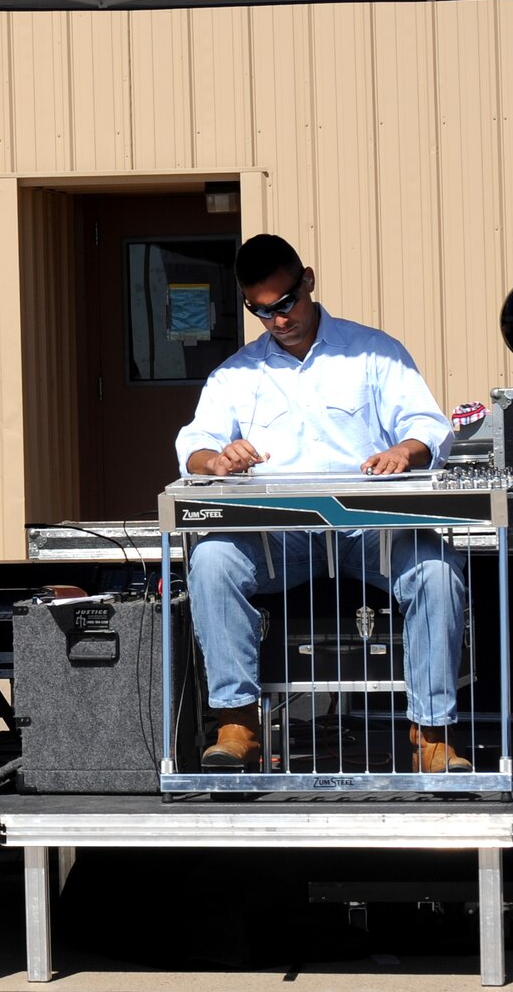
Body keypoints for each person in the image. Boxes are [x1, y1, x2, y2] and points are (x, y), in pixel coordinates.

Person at [175, 233, 464, 773]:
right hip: (278, 539)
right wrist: (215, 460)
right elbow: (192, 443)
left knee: (436, 570)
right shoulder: (236, 373)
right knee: (212, 560)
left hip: (370, 532)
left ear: (307, 280)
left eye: (285, 303)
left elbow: (428, 424)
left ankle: (431, 735)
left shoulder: (374, 351)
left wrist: (405, 448)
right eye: (260, 311)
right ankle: (237, 725)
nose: (278, 320)